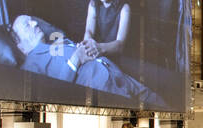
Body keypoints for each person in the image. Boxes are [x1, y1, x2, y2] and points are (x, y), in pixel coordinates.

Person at [9, 14, 150, 101]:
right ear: (20, 46)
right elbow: (52, 93)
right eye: (27, 25)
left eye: (32, 20)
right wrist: (75, 59)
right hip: (105, 87)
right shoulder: (29, 65)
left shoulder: (56, 42)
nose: (35, 23)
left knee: (155, 98)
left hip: (116, 73)